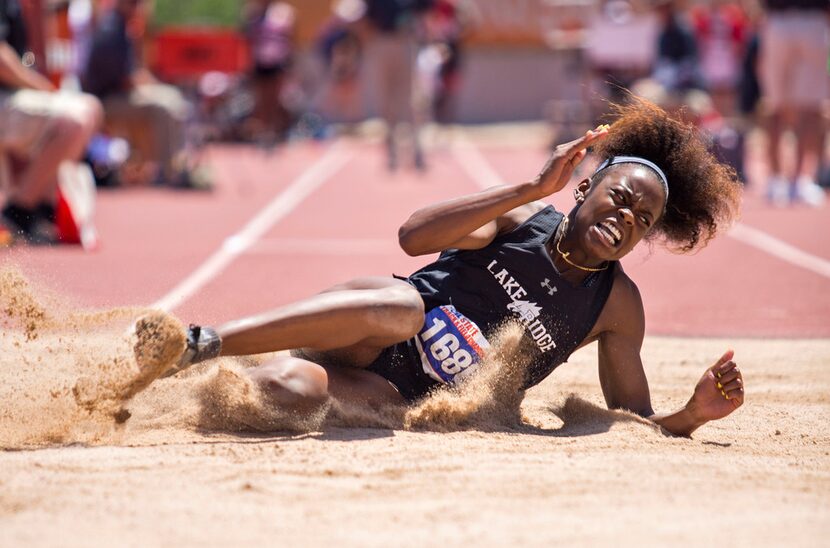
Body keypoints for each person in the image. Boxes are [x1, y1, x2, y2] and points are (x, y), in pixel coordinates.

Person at [141, 97, 745, 437]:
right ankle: (201, 343)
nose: (627, 215)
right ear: (584, 187)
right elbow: (412, 237)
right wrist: (527, 188)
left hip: (395, 389)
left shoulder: (616, 306)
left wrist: (691, 414)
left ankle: (164, 390)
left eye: (643, 217)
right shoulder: (522, 219)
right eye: (619, 196)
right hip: (371, 322)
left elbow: (628, 420)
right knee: (404, 309)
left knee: (284, 391)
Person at [0, 0, 102, 243]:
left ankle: (42, 206)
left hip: (11, 96)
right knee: (74, 121)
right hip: (5, 97)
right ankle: (18, 212)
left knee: (90, 108)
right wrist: (42, 87)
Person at [81, 0, 193, 187]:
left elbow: (132, 75)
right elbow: (124, 80)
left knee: (172, 98)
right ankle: (166, 171)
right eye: (134, 4)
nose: (139, 8)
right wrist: (149, 88)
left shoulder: (121, 26)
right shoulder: (111, 29)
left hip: (118, 94)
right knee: (162, 107)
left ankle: (177, 164)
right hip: (105, 101)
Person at [759, 0, 829, 207]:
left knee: (778, 105)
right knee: (801, 107)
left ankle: (780, 181)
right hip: (810, 21)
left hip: (781, 21)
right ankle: (795, 182)